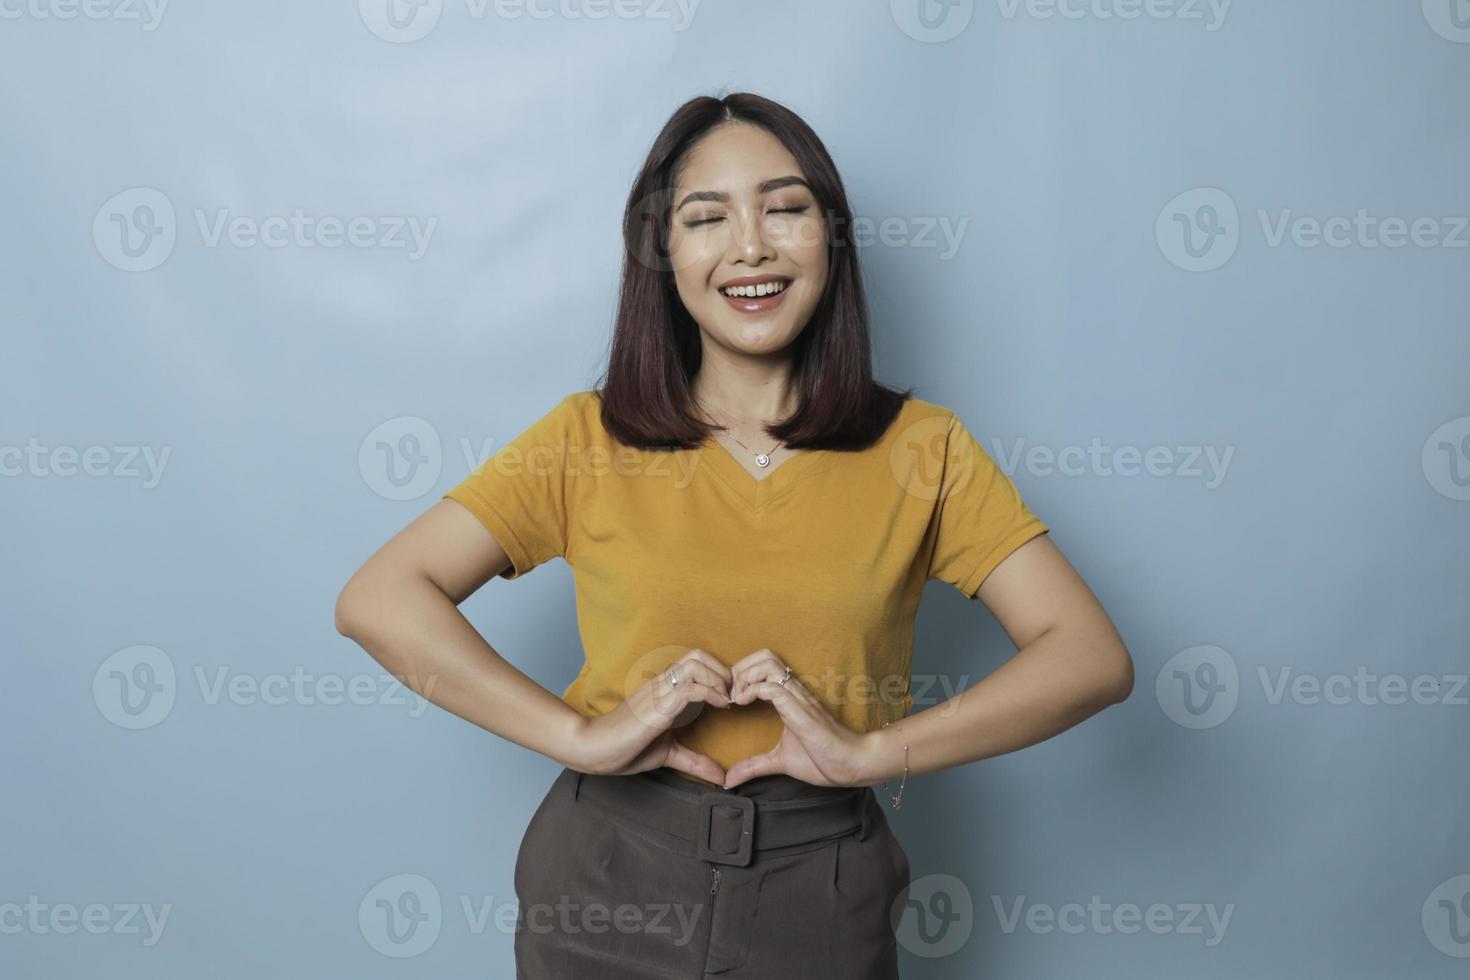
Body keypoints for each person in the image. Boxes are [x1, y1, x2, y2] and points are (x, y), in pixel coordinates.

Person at [334, 90, 1134, 979]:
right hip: (605, 875)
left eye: (785, 209)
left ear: (830, 238)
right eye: (706, 217)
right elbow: (379, 599)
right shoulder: (584, 438)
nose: (750, 246)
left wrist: (873, 752)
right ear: (663, 252)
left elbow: (1089, 656)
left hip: (821, 889)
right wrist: (574, 736)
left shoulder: (923, 449)